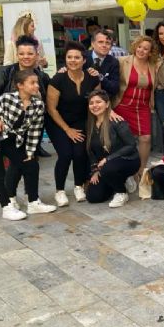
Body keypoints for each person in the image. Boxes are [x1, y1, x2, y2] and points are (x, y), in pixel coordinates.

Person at [0, 69, 56, 220]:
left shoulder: (38, 105)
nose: (37, 86)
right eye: (32, 83)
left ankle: (33, 202)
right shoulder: (6, 99)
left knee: (31, 165)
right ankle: (6, 207)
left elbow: (34, 130)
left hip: (11, 140)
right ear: (20, 85)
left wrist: (30, 152)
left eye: (37, 83)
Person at [46, 41, 101, 206]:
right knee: (65, 155)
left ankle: (78, 186)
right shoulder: (58, 79)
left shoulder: (92, 78)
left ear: (84, 60)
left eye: (77, 57)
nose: (73, 60)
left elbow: (99, 100)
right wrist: (67, 129)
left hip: (80, 121)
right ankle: (60, 191)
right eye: (69, 57)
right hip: (58, 122)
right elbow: (51, 109)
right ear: (65, 59)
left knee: (79, 153)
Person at [0, 36, 52, 158]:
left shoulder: (43, 77)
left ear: (37, 55)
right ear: (17, 55)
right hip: (4, 127)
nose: (25, 57)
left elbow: (50, 102)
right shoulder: (4, 72)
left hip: (30, 129)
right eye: (21, 54)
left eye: (30, 53)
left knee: (29, 164)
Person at [85, 90, 140, 207]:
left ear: (107, 104)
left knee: (108, 168)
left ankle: (121, 193)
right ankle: (118, 181)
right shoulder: (90, 124)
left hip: (128, 159)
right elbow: (91, 151)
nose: (94, 105)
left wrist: (108, 159)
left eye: (98, 102)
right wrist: (95, 171)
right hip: (106, 166)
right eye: (91, 103)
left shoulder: (117, 121)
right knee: (93, 196)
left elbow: (131, 145)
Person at [114, 35, 157, 180]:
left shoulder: (154, 65)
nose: (141, 50)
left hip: (143, 107)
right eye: (139, 47)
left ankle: (141, 170)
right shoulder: (122, 61)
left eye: (146, 49)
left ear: (150, 52)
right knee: (124, 140)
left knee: (146, 138)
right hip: (123, 105)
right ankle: (125, 171)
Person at [85, 30, 120, 98]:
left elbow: (114, 88)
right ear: (92, 44)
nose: (104, 45)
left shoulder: (113, 62)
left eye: (107, 43)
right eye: (100, 42)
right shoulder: (82, 57)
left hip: (103, 100)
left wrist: (100, 77)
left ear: (111, 46)